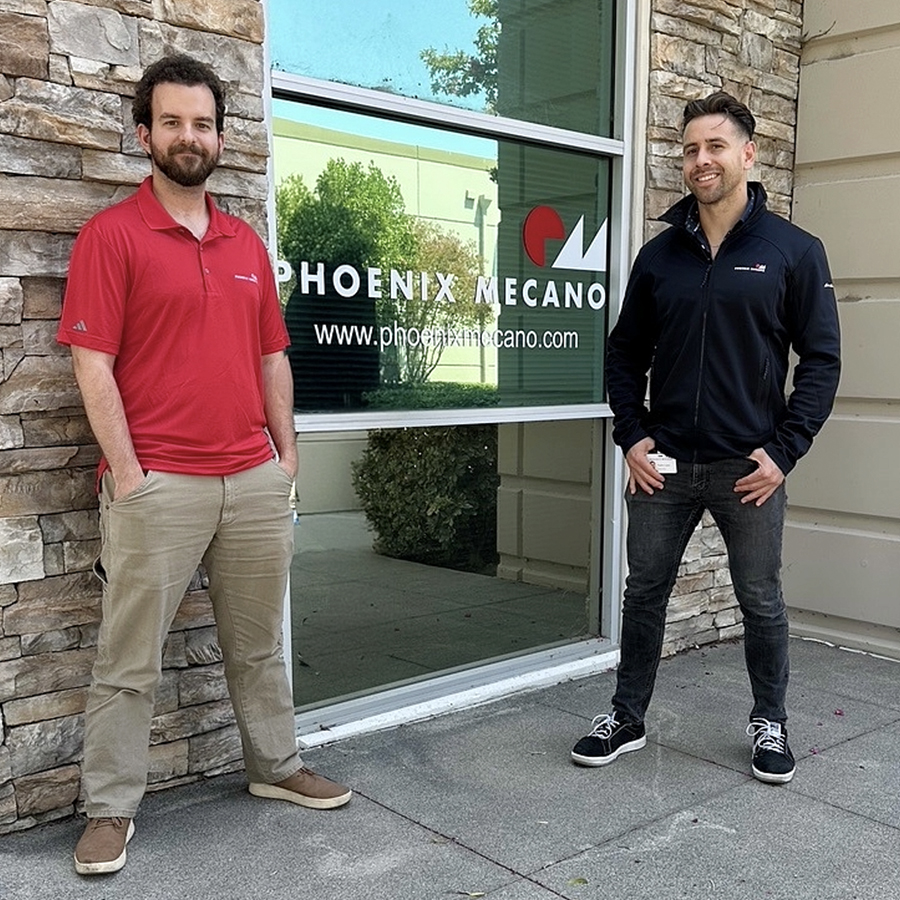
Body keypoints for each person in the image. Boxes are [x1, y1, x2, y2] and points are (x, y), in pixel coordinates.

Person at [57, 54, 352, 877]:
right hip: (158, 486)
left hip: (252, 481)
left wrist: (286, 456)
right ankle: (110, 808)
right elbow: (92, 364)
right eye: (173, 123)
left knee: (258, 646)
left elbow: (271, 356)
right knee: (128, 662)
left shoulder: (244, 242)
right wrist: (128, 473)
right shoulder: (112, 237)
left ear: (221, 138)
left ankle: (276, 766)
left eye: (203, 124)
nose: (190, 137)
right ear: (144, 134)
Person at [571, 92, 840, 784]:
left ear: (748, 154)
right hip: (662, 464)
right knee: (643, 594)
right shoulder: (660, 256)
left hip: (748, 468)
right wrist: (631, 435)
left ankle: (770, 721)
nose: (700, 160)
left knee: (760, 600)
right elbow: (624, 353)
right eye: (690, 149)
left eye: (715, 146)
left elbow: (821, 360)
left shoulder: (794, 251)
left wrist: (784, 452)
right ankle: (626, 716)